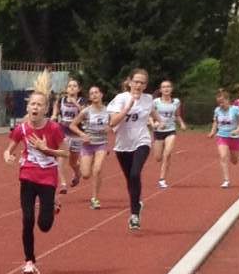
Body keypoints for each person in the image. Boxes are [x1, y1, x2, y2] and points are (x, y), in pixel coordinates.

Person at [4, 89, 69, 274]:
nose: (35, 107)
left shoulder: (54, 129)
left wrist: (46, 149)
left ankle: (52, 204)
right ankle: (29, 261)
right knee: (27, 219)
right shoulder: (22, 129)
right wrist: (8, 156)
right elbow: (8, 149)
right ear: (27, 107)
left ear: (45, 109)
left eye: (39, 105)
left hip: (48, 177)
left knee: (44, 225)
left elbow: (65, 153)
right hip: (27, 175)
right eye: (33, 104)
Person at [106, 68, 155, 228]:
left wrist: (159, 121)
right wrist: (127, 108)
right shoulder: (121, 98)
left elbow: (152, 111)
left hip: (142, 141)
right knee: (130, 179)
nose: (138, 85)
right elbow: (113, 122)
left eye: (142, 83)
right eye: (136, 82)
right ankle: (137, 203)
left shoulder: (148, 99)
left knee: (135, 174)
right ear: (130, 82)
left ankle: (134, 215)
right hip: (123, 145)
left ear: (145, 85)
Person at [74, 84, 111, 207]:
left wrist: (110, 127)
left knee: (97, 169)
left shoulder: (108, 111)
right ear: (89, 97)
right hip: (88, 145)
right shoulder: (86, 111)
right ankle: (82, 167)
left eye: (96, 92)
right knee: (85, 174)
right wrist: (82, 134)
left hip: (101, 143)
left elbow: (114, 123)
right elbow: (73, 125)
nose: (94, 95)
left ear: (101, 95)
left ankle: (95, 198)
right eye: (91, 93)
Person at [149, 78, 183, 188]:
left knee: (167, 154)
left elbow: (177, 115)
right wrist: (153, 124)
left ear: (171, 89)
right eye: (164, 87)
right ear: (160, 90)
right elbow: (150, 115)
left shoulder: (176, 102)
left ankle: (162, 179)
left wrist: (181, 123)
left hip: (171, 130)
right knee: (158, 157)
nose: (166, 89)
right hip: (158, 132)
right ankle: (165, 160)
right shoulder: (155, 102)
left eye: (168, 86)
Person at [210, 87, 239, 188]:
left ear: (227, 100)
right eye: (219, 103)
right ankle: (226, 180)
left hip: (235, 137)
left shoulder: (235, 109)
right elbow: (215, 122)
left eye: (222, 102)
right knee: (223, 156)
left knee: (234, 161)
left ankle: (233, 155)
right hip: (222, 136)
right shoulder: (217, 110)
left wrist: (237, 130)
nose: (221, 104)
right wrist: (212, 132)